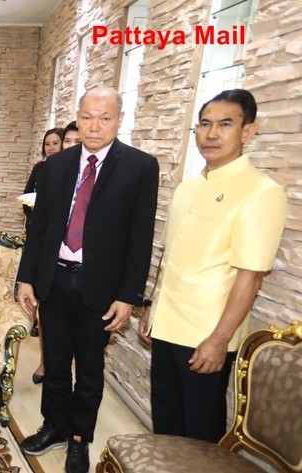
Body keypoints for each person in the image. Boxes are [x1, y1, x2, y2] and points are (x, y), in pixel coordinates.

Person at [16, 86, 159, 473]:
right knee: (55, 362)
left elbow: (140, 238)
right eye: (87, 117)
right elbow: (40, 228)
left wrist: (129, 296)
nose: (95, 126)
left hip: (101, 289)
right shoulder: (57, 166)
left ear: (119, 120)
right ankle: (54, 426)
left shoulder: (140, 167)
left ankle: (80, 438)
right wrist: (26, 278)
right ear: (77, 119)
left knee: (90, 369)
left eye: (105, 118)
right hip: (55, 280)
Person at [139, 89, 286, 443]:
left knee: (201, 434)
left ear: (248, 132)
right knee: (166, 422)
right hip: (166, 325)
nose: (212, 134)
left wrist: (219, 341)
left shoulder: (261, 192)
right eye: (205, 124)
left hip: (205, 335)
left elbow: (250, 277)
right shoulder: (187, 188)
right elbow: (169, 255)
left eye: (225, 124)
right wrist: (151, 308)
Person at [21, 127, 65, 385]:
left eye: (55, 142)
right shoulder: (40, 169)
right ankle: (44, 357)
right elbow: (28, 197)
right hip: (38, 234)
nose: (51, 147)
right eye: (47, 143)